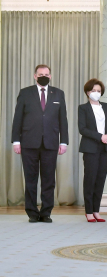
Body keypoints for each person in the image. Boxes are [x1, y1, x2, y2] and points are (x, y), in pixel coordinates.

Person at [11, 64, 69, 223]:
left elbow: (63, 119)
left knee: (49, 179)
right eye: (41, 74)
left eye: (47, 74)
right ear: (35, 76)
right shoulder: (25, 93)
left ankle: (46, 213)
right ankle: (31, 213)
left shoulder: (58, 93)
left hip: (50, 143)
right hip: (28, 143)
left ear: (50, 76)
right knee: (30, 179)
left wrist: (63, 141)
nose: (44, 76)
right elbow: (18, 119)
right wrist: (16, 140)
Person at [78, 79, 107, 223]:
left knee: (100, 179)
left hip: (105, 147)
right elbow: (83, 129)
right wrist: (100, 137)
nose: (96, 93)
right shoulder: (83, 108)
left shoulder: (106, 106)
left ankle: (96, 210)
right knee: (90, 179)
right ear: (87, 92)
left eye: (98, 91)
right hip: (90, 147)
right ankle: (88, 211)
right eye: (93, 91)